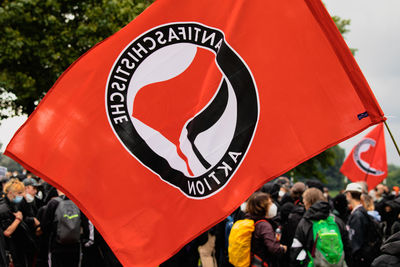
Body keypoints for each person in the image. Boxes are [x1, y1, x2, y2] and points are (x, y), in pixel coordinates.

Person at [290, 188, 351, 266]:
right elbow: (347, 247)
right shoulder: (336, 220)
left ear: (308, 202)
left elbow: (296, 249)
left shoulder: (306, 222)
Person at [0, 178, 37, 267]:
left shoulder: (12, 204)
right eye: (19, 193)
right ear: (10, 193)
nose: (22, 195)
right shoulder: (4, 208)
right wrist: (18, 219)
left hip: (17, 246)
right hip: (9, 249)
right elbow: (7, 232)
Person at [41, 189, 82, 267]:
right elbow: (85, 224)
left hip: (56, 246)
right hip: (75, 246)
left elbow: (45, 226)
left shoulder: (53, 203)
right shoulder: (78, 202)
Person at [246, 191, 286, 267]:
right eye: (270, 203)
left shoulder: (250, 218)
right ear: (261, 206)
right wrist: (282, 249)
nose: (273, 206)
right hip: (262, 262)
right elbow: (273, 248)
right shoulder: (264, 225)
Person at [346, 182, 381, 266]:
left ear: (349, 195)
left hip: (359, 261)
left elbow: (356, 242)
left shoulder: (357, 215)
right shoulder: (361, 212)